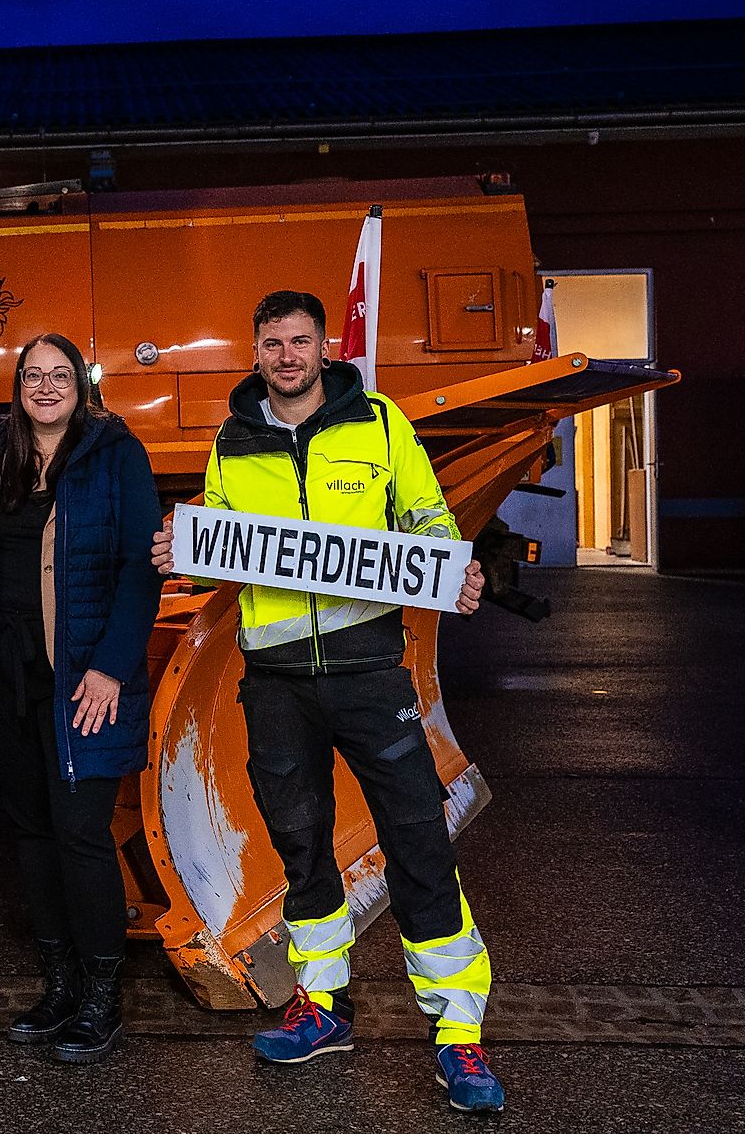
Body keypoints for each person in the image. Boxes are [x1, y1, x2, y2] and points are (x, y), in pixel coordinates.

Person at [151, 289, 504, 1114]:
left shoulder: (378, 424)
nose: (286, 356)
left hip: (369, 670)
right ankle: (324, 1004)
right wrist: (186, 549)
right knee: (299, 842)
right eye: (272, 343)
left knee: (418, 836)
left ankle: (460, 1034)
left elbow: (424, 515)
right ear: (257, 350)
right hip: (275, 677)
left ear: (322, 348)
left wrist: (455, 566)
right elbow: (225, 547)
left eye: (299, 341)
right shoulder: (233, 441)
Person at [0, 333, 162, 1064]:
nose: (46, 387)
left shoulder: (114, 454)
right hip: (6, 675)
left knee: (80, 832)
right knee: (33, 833)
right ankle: (60, 984)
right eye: (33, 376)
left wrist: (110, 667)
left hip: (84, 681)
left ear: (81, 385)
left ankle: (103, 996)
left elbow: (143, 570)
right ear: (17, 386)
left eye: (60, 375)